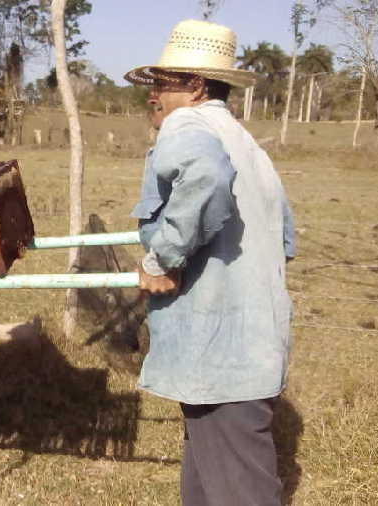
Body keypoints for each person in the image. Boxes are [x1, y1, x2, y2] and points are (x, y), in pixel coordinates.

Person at [124, 20, 296, 505]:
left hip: (223, 351)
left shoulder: (190, 124)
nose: (152, 97)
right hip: (247, 344)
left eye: (162, 84)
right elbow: (282, 236)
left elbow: (204, 179)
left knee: (242, 492)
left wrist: (163, 259)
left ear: (196, 86)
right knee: (205, 477)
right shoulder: (243, 141)